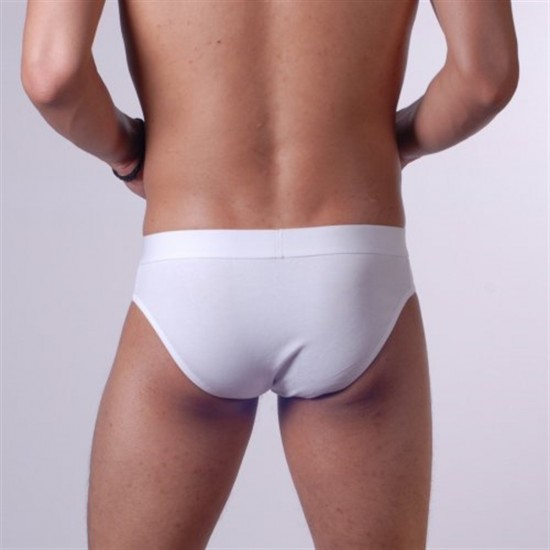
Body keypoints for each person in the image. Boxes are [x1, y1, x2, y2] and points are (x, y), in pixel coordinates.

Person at [21, 0, 519, 548]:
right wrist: (389, 144)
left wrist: (129, 156)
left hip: (194, 268)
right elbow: (484, 77)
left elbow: (53, 74)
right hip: (353, 271)